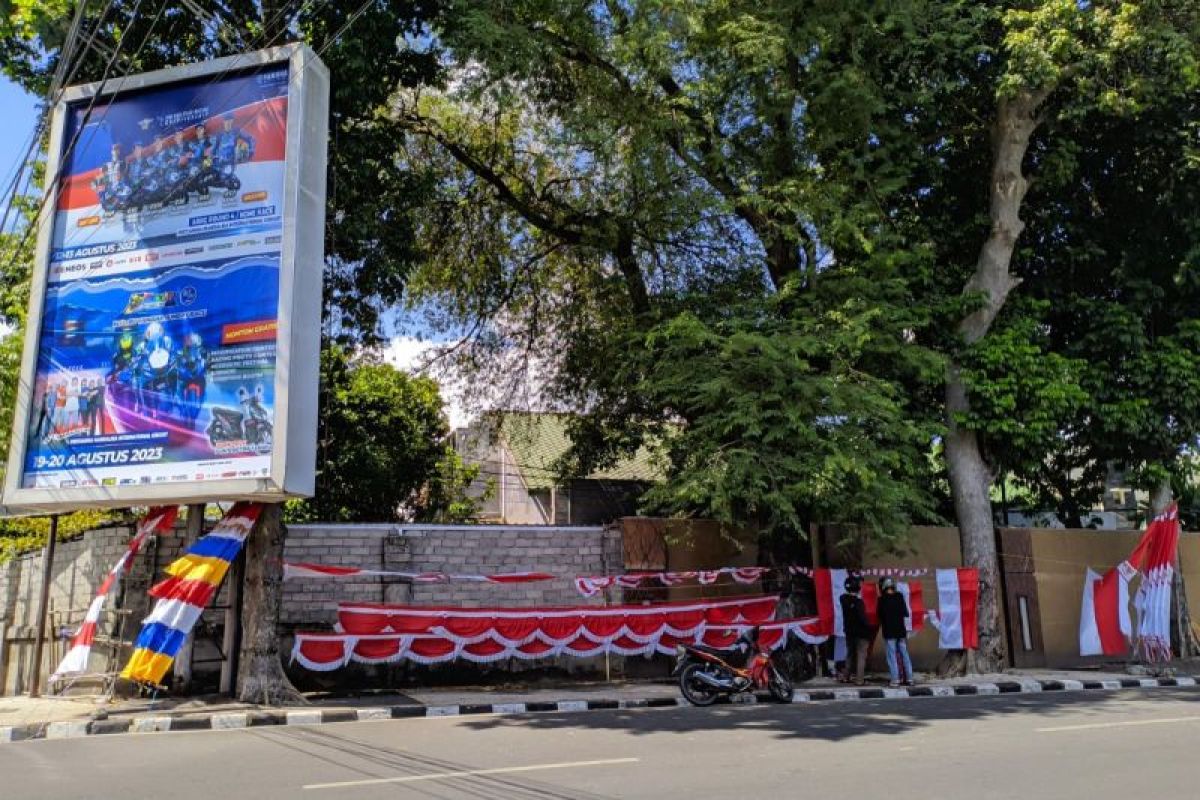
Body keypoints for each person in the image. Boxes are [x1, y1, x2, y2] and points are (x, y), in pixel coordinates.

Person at [876, 577, 915, 687]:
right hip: (901, 631)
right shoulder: (899, 596)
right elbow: (905, 612)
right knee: (905, 654)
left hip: (889, 632)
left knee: (891, 656)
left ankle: (895, 679)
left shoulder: (881, 599)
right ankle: (910, 678)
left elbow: (879, 615)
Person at [839, 575, 871, 685]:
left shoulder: (843, 599)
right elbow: (863, 618)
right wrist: (869, 627)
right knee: (861, 656)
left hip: (849, 631)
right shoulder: (859, 602)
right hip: (861, 633)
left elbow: (846, 597)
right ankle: (859, 680)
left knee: (849, 654)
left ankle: (845, 677)